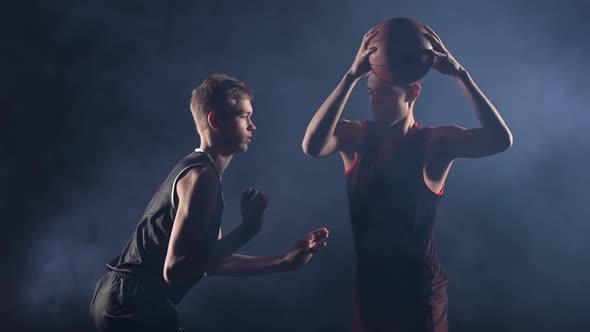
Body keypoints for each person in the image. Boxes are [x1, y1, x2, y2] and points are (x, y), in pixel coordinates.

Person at [301, 25, 513, 332]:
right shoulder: (357, 137)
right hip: (371, 290)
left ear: (413, 92)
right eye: (371, 93)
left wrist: (460, 74)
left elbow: (500, 141)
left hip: (420, 295)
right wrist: (351, 77)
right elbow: (312, 146)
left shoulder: (433, 144)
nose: (375, 102)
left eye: (385, 93)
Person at [90, 73, 330, 332]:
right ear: (214, 120)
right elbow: (176, 269)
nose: (253, 126)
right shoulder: (202, 177)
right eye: (243, 116)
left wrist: (284, 261)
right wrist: (247, 230)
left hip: (125, 297)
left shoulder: (205, 174)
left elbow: (212, 261)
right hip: (132, 302)